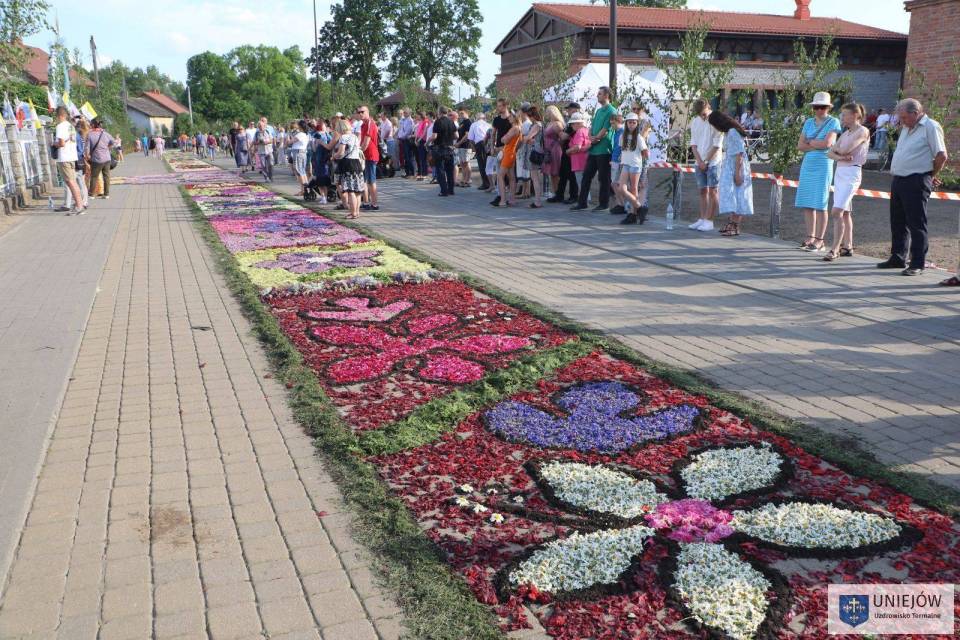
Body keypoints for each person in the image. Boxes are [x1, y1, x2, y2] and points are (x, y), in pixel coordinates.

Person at [878, 98, 948, 276]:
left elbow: (941, 155)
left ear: (915, 113)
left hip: (916, 179)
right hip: (899, 179)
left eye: (904, 117)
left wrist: (929, 175)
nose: (902, 121)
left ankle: (917, 262)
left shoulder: (931, 126)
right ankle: (898, 256)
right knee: (898, 221)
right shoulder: (907, 127)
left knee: (916, 223)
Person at [823, 103, 870, 262]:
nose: (842, 118)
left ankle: (835, 249)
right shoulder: (845, 133)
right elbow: (830, 153)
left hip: (852, 173)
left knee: (836, 211)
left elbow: (844, 149)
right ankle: (847, 246)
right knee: (845, 212)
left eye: (844, 115)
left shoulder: (862, 131)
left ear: (855, 115)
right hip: (841, 172)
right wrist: (840, 157)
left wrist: (839, 153)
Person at [795, 92, 842, 252]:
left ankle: (820, 240)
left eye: (822, 107)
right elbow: (800, 146)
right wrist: (816, 144)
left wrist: (810, 142)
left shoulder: (833, 121)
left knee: (821, 203)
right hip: (808, 164)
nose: (819, 110)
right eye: (816, 107)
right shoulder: (808, 122)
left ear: (828, 108)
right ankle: (810, 237)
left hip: (823, 164)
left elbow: (828, 144)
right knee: (808, 203)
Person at [710, 111, 753, 236]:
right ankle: (732, 222)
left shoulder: (733, 132)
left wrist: (738, 173)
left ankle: (735, 225)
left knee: (739, 195)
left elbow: (739, 153)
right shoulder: (729, 132)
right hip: (732, 166)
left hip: (736, 167)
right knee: (732, 195)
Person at [573, 87, 616, 211]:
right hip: (594, 149)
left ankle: (604, 203)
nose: (597, 95)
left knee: (603, 178)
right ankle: (582, 202)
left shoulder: (612, 110)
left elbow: (606, 128)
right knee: (586, 175)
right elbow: (591, 126)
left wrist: (597, 138)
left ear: (607, 95)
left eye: (600, 94)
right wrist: (590, 137)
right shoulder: (598, 111)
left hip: (604, 149)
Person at [688, 98, 723, 231]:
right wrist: (699, 161)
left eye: (704, 114)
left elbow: (717, 145)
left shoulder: (716, 120)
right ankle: (702, 218)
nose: (702, 117)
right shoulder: (695, 121)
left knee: (713, 191)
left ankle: (710, 220)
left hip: (713, 161)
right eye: (700, 114)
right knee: (702, 190)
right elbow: (693, 144)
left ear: (708, 107)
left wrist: (706, 161)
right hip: (700, 161)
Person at [616, 112, 649, 225]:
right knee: (621, 188)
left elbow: (645, 153)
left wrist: (642, 163)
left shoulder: (639, 137)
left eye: (634, 122)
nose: (631, 124)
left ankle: (632, 214)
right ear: (626, 123)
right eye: (630, 122)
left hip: (635, 165)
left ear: (637, 124)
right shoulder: (622, 136)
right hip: (625, 164)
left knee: (634, 189)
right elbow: (621, 150)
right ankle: (639, 207)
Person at [54, 107, 85, 215]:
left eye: (56, 116)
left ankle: (79, 206)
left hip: (64, 158)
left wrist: (54, 144)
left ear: (60, 116)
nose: (56, 119)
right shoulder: (70, 126)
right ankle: (79, 205)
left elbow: (61, 143)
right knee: (73, 182)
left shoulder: (60, 126)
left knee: (71, 182)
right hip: (72, 156)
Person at [333, 118, 365, 219]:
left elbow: (341, 152)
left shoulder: (343, 137)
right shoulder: (355, 137)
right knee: (357, 191)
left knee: (350, 191)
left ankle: (353, 213)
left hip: (348, 164)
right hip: (357, 163)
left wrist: (334, 156)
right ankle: (357, 212)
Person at [551, 102, 581, 204]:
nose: (568, 111)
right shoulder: (570, 122)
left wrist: (558, 131)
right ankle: (559, 195)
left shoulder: (576, 123)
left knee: (572, 175)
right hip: (566, 150)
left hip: (572, 151)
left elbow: (564, 136)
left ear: (576, 110)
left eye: (570, 109)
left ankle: (574, 196)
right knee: (563, 174)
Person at [494, 111, 521, 208]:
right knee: (511, 177)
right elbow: (519, 143)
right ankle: (512, 199)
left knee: (500, 176)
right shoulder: (518, 128)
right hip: (511, 153)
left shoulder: (514, 128)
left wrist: (504, 138)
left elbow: (504, 140)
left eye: (510, 117)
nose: (509, 118)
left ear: (515, 117)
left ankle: (503, 200)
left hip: (508, 153)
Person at [490, 99, 513, 205]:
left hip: (508, 149)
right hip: (499, 149)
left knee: (510, 175)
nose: (498, 108)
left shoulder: (511, 119)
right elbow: (493, 134)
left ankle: (510, 198)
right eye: (498, 106)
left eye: (500, 106)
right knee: (500, 173)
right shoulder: (496, 119)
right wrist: (492, 147)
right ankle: (500, 196)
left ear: (505, 106)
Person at [357, 105, 380, 211]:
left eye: (362, 112)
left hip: (371, 155)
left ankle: (374, 204)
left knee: (371, 181)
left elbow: (366, 142)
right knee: (364, 180)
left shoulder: (370, 123)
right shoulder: (363, 125)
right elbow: (360, 140)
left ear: (368, 112)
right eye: (359, 112)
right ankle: (366, 202)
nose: (360, 114)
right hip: (365, 156)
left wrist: (358, 153)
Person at [431, 105, 458, 197]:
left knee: (440, 170)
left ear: (439, 112)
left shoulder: (438, 122)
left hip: (440, 149)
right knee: (450, 171)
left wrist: (427, 142)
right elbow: (457, 136)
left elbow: (434, 136)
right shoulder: (451, 121)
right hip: (450, 149)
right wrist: (449, 138)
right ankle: (451, 190)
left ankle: (444, 191)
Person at [86, 119, 115, 200]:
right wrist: (108, 148)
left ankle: (91, 194)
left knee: (94, 177)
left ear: (92, 125)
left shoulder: (90, 135)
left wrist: (87, 156)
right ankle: (106, 194)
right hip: (107, 158)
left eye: (90, 124)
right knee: (106, 176)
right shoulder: (105, 133)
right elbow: (113, 142)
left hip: (96, 159)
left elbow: (87, 148)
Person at [566, 112, 590, 208]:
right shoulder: (587, 130)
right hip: (585, 159)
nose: (572, 126)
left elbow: (577, 147)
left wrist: (568, 151)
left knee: (581, 182)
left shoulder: (579, 132)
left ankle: (584, 202)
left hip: (578, 161)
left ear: (579, 123)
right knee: (585, 182)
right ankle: (586, 200)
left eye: (573, 123)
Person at [542, 105, 565, 198]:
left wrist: (556, 144)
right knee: (551, 172)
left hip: (555, 149)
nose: (546, 113)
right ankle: (556, 193)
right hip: (548, 150)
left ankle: (559, 193)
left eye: (547, 111)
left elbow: (562, 138)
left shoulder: (557, 124)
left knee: (556, 172)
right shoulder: (549, 123)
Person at [524, 106, 545, 208]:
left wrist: (526, 138)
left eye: (530, 116)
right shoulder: (540, 124)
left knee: (535, 178)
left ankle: (537, 201)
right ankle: (537, 200)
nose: (529, 118)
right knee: (535, 177)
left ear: (533, 116)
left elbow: (527, 138)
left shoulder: (536, 125)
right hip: (537, 151)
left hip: (534, 152)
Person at [468, 112, 492, 190]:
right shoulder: (489, 124)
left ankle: (486, 183)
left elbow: (470, 138)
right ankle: (491, 182)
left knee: (482, 164)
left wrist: (474, 148)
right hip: (489, 144)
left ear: (476, 118)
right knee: (488, 164)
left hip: (480, 144)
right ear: (484, 118)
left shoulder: (474, 125)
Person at [608, 113, 625, 215]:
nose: (612, 126)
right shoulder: (617, 132)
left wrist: (618, 159)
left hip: (618, 162)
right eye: (611, 124)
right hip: (615, 160)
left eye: (613, 123)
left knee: (616, 183)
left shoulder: (622, 132)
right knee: (615, 184)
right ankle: (620, 204)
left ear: (619, 122)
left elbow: (622, 148)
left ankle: (621, 205)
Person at [288, 123, 310, 197]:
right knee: (302, 171)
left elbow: (290, 142)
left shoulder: (300, 134)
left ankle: (304, 190)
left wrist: (288, 136)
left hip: (298, 153)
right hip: (301, 152)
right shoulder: (304, 134)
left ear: (300, 127)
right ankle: (305, 189)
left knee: (299, 171)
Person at [455, 109, 473, 188]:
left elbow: (467, 135)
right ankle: (463, 179)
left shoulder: (468, 122)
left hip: (466, 145)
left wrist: (459, 143)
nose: (460, 115)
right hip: (460, 146)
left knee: (466, 162)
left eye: (462, 113)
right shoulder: (462, 122)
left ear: (467, 113)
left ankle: (468, 180)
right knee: (462, 163)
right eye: (460, 113)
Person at [397, 108, 416, 177]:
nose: (404, 114)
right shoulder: (404, 120)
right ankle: (407, 172)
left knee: (409, 156)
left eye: (405, 113)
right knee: (406, 157)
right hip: (404, 139)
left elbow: (408, 131)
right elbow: (401, 129)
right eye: (404, 112)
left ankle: (411, 172)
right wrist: (399, 136)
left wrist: (401, 136)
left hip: (408, 140)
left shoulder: (410, 121)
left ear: (409, 113)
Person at [415, 111, 431, 181]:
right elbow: (417, 132)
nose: (416, 116)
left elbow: (424, 132)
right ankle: (421, 173)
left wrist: (419, 140)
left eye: (418, 115)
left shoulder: (425, 122)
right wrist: (415, 139)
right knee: (420, 158)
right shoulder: (420, 122)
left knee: (423, 157)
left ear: (421, 115)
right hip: (419, 139)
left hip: (422, 140)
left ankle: (425, 173)